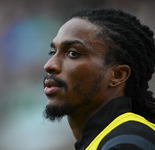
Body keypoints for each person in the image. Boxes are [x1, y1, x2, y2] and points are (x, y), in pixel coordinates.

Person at [43, 8, 155, 150]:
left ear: (117, 75)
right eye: (52, 52)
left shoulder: (127, 141)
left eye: (72, 53)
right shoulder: (109, 138)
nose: (49, 65)